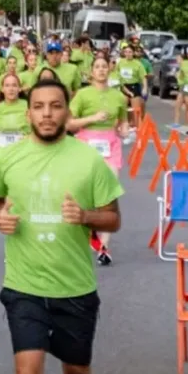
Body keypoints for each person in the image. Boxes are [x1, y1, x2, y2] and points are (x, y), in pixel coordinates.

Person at [0, 79, 124, 374]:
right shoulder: (7, 158)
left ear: (67, 112)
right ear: (28, 114)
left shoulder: (89, 160)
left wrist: (86, 216)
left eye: (55, 106)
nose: (47, 114)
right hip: (24, 287)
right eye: (38, 107)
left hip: (74, 288)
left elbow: (114, 219)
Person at [68, 57, 129, 266]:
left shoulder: (119, 96)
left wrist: (124, 129)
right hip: (86, 143)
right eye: (97, 67)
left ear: (109, 69)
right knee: (85, 194)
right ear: (91, 71)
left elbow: (123, 121)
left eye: (105, 66)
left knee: (109, 193)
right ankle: (89, 228)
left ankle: (104, 247)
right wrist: (92, 118)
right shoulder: (83, 95)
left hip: (110, 145)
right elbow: (70, 123)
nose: (101, 70)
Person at [0, 74, 29, 149]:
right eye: (7, 85)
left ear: (19, 88)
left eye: (14, 85)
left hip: (25, 148)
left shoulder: (29, 106)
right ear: (2, 89)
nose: (11, 89)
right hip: (2, 150)